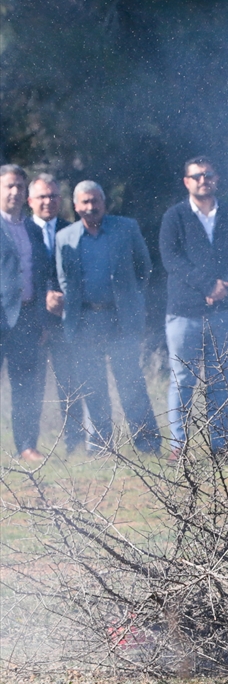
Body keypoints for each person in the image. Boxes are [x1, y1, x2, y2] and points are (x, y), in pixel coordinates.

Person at [56, 180, 159, 454]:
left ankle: (148, 444)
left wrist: (131, 301)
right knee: (93, 387)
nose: (91, 207)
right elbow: (65, 281)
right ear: (76, 206)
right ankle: (101, 447)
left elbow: (143, 268)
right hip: (86, 321)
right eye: (85, 202)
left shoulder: (126, 228)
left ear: (104, 203)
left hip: (120, 319)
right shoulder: (64, 237)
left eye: (95, 201)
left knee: (131, 383)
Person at [159, 157, 228, 457]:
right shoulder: (175, 217)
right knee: (182, 379)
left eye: (208, 175)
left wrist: (224, 284)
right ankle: (178, 446)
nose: (202, 180)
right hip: (184, 311)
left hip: (225, 310)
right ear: (186, 181)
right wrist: (207, 285)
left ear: (216, 178)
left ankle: (220, 445)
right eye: (196, 176)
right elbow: (171, 259)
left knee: (219, 377)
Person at [27, 173, 87, 452]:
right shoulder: (20, 230)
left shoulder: (73, 230)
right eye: (41, 196)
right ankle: (28, 445)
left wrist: (66, 298)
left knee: (70, 383)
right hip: (32, 322)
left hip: (66, 321)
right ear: (30, 201)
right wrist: (43, 302)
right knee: (31, 384)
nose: (47, 201)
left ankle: (74, 443)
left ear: (61, 200)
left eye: (52, 196)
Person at [0, 165, 53, 462]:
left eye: (20, 187)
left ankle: (26, 446)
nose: (15, 192)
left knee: (26, 388)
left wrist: (43, 320)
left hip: (27, 320)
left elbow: (43, 274)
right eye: (9, 186)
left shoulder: (33, 228)